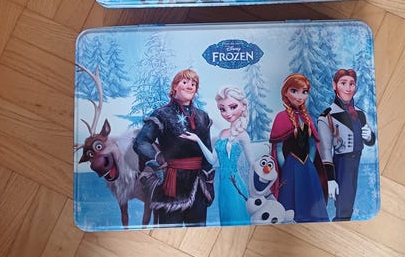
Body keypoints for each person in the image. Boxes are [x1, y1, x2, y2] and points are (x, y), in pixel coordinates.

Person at [133, 69, 214, 226]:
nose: (190, 86)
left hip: (199, 187)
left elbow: (207, 151)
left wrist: (209, 182)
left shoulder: (203, 117)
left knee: (199, 233)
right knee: (170, 232)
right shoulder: (161, 114)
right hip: (172, 186)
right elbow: (141, 143)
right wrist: (158, 162)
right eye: (185, 82)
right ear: (175, 86)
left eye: (193, 84)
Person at [182, 85, 253, 226]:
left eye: (233, 107)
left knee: (237, 216)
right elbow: (212, 159)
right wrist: (198, 140)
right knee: (226, 218)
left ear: (243, 106)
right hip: (223, 186)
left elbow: (252, 164)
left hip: (236, 184)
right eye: (222, 109)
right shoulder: (222, 133)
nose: (227, 113)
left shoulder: (243, 135)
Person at [269, 73, 331, 222]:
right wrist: (285, 165)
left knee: (309, 196)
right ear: (285, 92)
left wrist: (310, 161)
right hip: (290, 166)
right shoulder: (281, 117)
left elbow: (312, 143)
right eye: (294, 91)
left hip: (307, 166)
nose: (300, 96)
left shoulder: (306, 118)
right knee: (291, 199)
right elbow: (278, 147)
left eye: (304, 92)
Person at [317, 69, 376, 221]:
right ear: (334, 85)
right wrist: (331, 179)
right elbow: (325, 151)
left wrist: (369, 136)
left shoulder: (360, 113)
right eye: (343, 83)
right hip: (342, 163)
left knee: (350, 203)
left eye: (352, 84)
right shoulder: (327, 116)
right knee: (344, 207)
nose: (348, 88)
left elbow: (370, 140)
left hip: (357, 161)